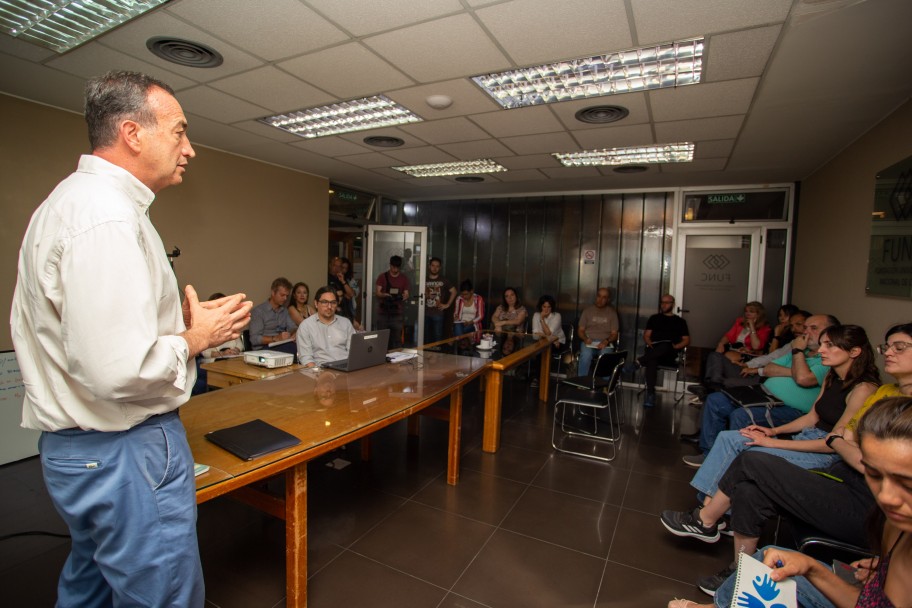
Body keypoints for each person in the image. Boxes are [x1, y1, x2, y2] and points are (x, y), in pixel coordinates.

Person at [10, 70, 253, 607]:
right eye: (179, 132)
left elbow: (101, 338)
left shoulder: (74, 203)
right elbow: (118, 369)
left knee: (91, 583)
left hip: (81, 450)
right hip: (121, 451)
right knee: (160, 595)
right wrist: (195, 338)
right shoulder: (106, 219)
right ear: (132, 132)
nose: (189, 149)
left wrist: (186, 328)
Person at [664, 323, 912, 601]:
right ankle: (738, 569)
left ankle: (706, 518)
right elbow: (836, 433)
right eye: (887, 346)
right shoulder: (883, 393)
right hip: (839, 470)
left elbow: (843, 444)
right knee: (748, 487)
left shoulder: (867, 390)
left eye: (899, 347)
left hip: (849, 486)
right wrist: (773, 432)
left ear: (854, 351)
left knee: (751, 459)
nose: (889, 352)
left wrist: (835, 443)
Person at [676, 324, 879, 503]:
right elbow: (812, 417)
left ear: (854, 352)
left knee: (746, 450)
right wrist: (772, 431)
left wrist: (771, 442)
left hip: (825, 455)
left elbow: (833, 442)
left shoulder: (862, 389)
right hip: (806, 436)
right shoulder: (832, 377)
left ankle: (708, 513)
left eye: (829, 346)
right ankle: (708, 507)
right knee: (729, 437)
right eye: (823, 344)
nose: (821, 350)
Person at [684, 314, 837, 467]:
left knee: (741, 415)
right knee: (715, 400)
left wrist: (797, 354)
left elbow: (804, 379)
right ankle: (709, 455)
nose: (806, 332)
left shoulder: (827, 358)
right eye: (805, 328)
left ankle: (732, 464)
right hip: (763, 395)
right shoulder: (800, 352)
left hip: (789, 408)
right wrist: (796, 370)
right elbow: (769, 369)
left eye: (814, 328)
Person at [624, 294, 690, 407]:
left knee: (666, 344)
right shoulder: (654, 318)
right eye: (662, 302)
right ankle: (650, 394)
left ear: (673, 304)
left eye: (666, 302)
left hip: (669, 353)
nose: (663, 305)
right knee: (652, 360)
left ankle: (638, 362)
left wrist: (676, 346)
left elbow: (686, 340)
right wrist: (649, 342)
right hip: (654, 349)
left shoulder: (680, 321)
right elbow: (647, 335)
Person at [698, 302, 773, 394]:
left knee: (717, 358)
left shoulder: (765, 329)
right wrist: (721, 344)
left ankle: (712, 388)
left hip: (746, 358)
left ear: (759, 314)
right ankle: (714, 385)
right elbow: (728, 336)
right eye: (746, 311)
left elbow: (756, 346)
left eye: (751, 312)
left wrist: (752, 327)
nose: (748, 314)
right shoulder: (740, 322)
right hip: (732, 351)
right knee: (712, 355)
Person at [296, 286, 355, 367]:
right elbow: (306, 359)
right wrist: (318, 375)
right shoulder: (306, 326)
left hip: (346, 368)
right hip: (321, 371)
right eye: (324, 302)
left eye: (333, 302)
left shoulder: (346, 323)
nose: (329, 307)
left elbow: (354, 352)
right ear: (316, 304)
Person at [577, 287, 620, 377]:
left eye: (604, 297)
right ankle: (581, 382)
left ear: (608, 300)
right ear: (596, 297)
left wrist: (607, 341)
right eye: (599, 296)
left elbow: (614, 334)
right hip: (589, 341)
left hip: (605, 342)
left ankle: (604, 385)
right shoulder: (587, 311)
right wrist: (585, 338)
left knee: (606, 356)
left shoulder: (612, 313)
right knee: (586, 355)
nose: (600, 300)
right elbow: (580, 330)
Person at [529, 294, 566, 389]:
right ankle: (539, 378)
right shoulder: (536, 315)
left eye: (549, 307)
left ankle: (538, 378)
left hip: (558, 343)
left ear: (552, 307)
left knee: (542, 350)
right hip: (547, 342)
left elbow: (549, 333)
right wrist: (550, 338)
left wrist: (542, 320)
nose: (546, 309)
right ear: (540, 306)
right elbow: (535, 336)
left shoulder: (557, 316)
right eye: (544, 307)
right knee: (539, 349)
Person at [249, 277, 298, 348]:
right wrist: (275, 338)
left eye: (287, 296)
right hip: (264, 348)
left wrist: (295, 333)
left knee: (301, 348)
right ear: (273, 293)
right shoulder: (258, 312)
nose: (285, 298)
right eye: (282, 295)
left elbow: (293, 327)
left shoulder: (284, 311)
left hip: (282, 345)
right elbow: (254, 339)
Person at [375, 255, 411, 349]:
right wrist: (385, 295)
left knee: (397, 339)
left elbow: (406, 294)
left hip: (397, 312)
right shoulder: (382, 277)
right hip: (383, 312)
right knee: (382, 338)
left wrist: (403, 296)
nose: (395, 269)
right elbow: (378, 293)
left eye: (397, 267)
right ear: (390, 265)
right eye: (393, 267)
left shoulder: (404, 278)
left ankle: (396, 359)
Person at [424, 256, 456, 344]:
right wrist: (426, 295)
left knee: (438, 336)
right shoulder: (424, 279)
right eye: (433, 265)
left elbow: (454, 291)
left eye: (437, 266)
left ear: (440, 268)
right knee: (425, 336)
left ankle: (438, 355)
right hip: (425, 312)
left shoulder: (443, 280)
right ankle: (425, 355)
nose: (434, 268)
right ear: (429, 266)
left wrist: (447, 304)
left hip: (438, 313)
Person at [339, 256, 360, 323]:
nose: (344, 270)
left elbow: (352, 294)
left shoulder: (351, 281)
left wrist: (343, 282)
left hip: (349, 308)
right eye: (342, 268)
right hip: (338, 308)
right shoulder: (333, 279)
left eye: (346, 268)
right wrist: (343, 295)